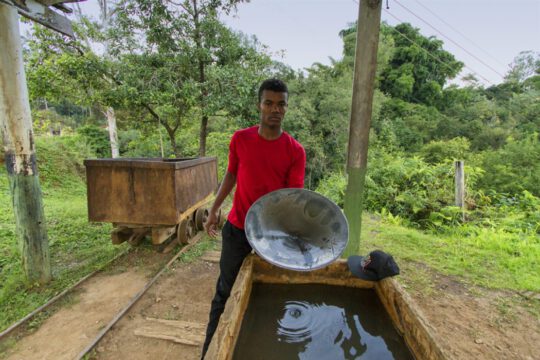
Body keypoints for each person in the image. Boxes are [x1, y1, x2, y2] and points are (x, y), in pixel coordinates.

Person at [200, 78, 306, 358]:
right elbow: (231, 174)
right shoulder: (240, 139)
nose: (275, 109)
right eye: (269, 103)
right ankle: (208, 353)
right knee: (223, 293)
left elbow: (292, 199)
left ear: (286, 108)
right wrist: (214, 208)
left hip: (273, 238)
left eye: (281, 104)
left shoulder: (295, 151)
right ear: (259, 105)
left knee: (269, 295)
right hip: (236, 229)